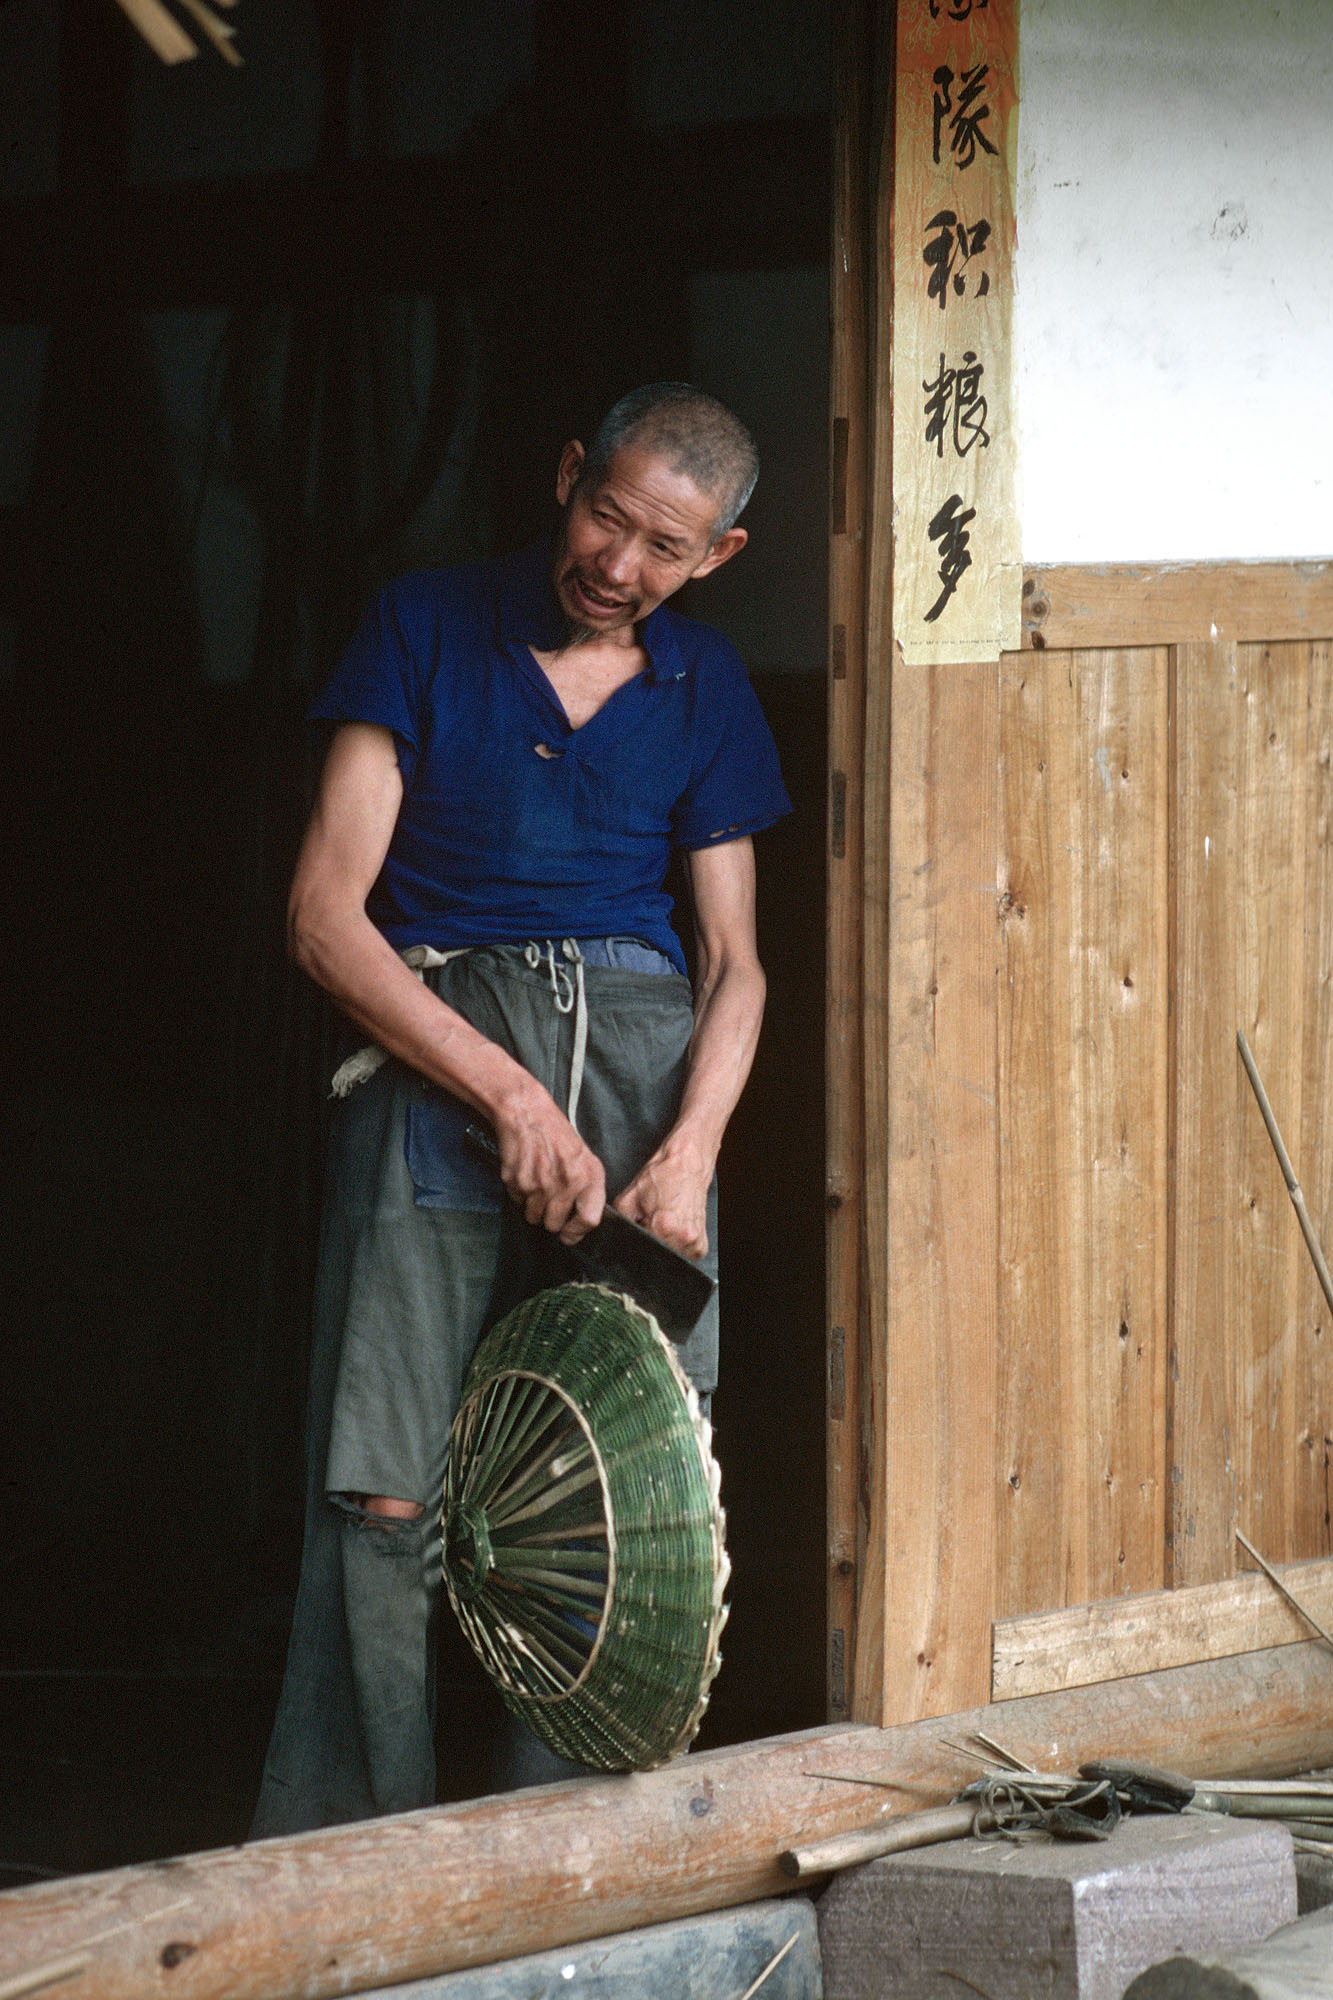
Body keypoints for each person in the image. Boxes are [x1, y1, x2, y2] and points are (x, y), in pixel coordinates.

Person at [250, 383, 791, 1837]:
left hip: (640, 1081)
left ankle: (571, 1848)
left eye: (664, 548)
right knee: (382, 1484)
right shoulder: (425, 623)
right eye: (604, 515)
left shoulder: (705, 686)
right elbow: (322, 918)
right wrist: (500, 1092)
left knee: (619, 1478)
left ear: (717, 557)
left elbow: (737, 965)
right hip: (440, 1057)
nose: (618, 563)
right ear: (565, 476)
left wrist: (684, 1160)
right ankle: (354, 1854)